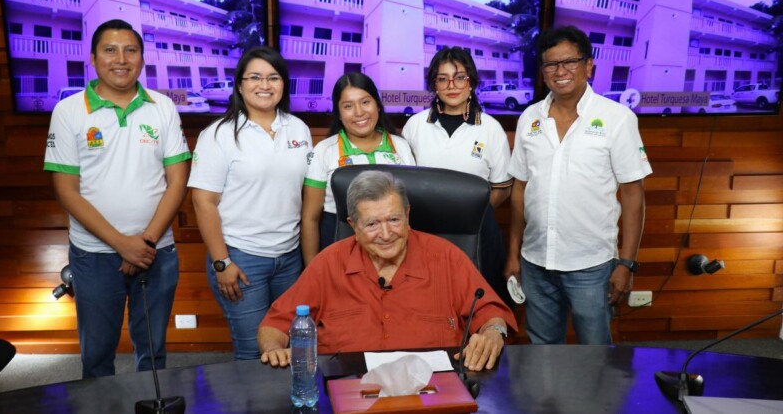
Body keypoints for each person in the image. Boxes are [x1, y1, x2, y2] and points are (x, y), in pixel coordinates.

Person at [43, 19, 191, 378]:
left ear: (141, 58)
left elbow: (178, 181)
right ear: (93, 58)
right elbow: (66, 190)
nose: (121, 59)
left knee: (153, 354)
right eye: (110, 50)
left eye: (131, 50)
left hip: (157, 252)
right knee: (96, 355)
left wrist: (145, 242)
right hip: (94, 257)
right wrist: (123, 245)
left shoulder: (162, 107)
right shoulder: (69, 111)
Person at [259, 170, 517, 371]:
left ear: (407, 214)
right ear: (353, 225)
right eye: (372, 224)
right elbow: (276, 324)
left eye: (394, 220)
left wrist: (493, 333)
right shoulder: (329, 263)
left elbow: (490, 313)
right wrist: (274, 348)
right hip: (350, 393)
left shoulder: (445, 256)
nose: (386, 234)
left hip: (432, 394)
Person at [506, 25, 652, 345]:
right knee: (543, 353)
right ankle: (547, 397)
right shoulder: (530, 118)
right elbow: (519, 190)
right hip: (536, 263)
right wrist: (513, 255)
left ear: (589, 66)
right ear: (542, 71)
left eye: (570, 61)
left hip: (592, 266)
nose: (560, 71)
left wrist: (626, 263)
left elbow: (632, 194)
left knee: (596, 354)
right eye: (551, 64)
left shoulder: (617, 118)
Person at [188, 46, 312, 360]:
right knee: (252, 354)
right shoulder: (218, 135)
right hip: (241, 261)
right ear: (240, 85)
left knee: (291, 346)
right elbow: (203, 202)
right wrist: (222, 263)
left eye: (273, 77)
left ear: (283, 84)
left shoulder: (298, 129)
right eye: (254, 77)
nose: (264, 85)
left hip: (290, 257)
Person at [402, 46, 513, 304]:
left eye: (460, 77)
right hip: (422, 233)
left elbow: (502, 188)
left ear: (471, 82)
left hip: (477, 234)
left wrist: (470, 215)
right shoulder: (415, 126)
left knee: (476, 304)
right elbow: (404, 182)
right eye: (443, 78)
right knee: (427, 303)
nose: (452, 85)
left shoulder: (491, 129)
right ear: (434, 85)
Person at [301, 72, 415, 265]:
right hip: (338, 246)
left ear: (378, 105)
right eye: (348, 106)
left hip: (393, 247)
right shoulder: (324, 151)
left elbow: (409, 208)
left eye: (365, 102)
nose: (359, 112)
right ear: (338, 113)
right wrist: (313, 273)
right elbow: (310, 219)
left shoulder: (400, 146)